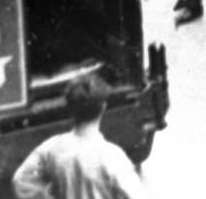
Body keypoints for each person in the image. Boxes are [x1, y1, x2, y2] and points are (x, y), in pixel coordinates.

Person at [11, 72, 148, 199]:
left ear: (70, 109)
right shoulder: (112, 156)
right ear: (103, 107)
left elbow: (20, 180)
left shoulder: (52, 148)